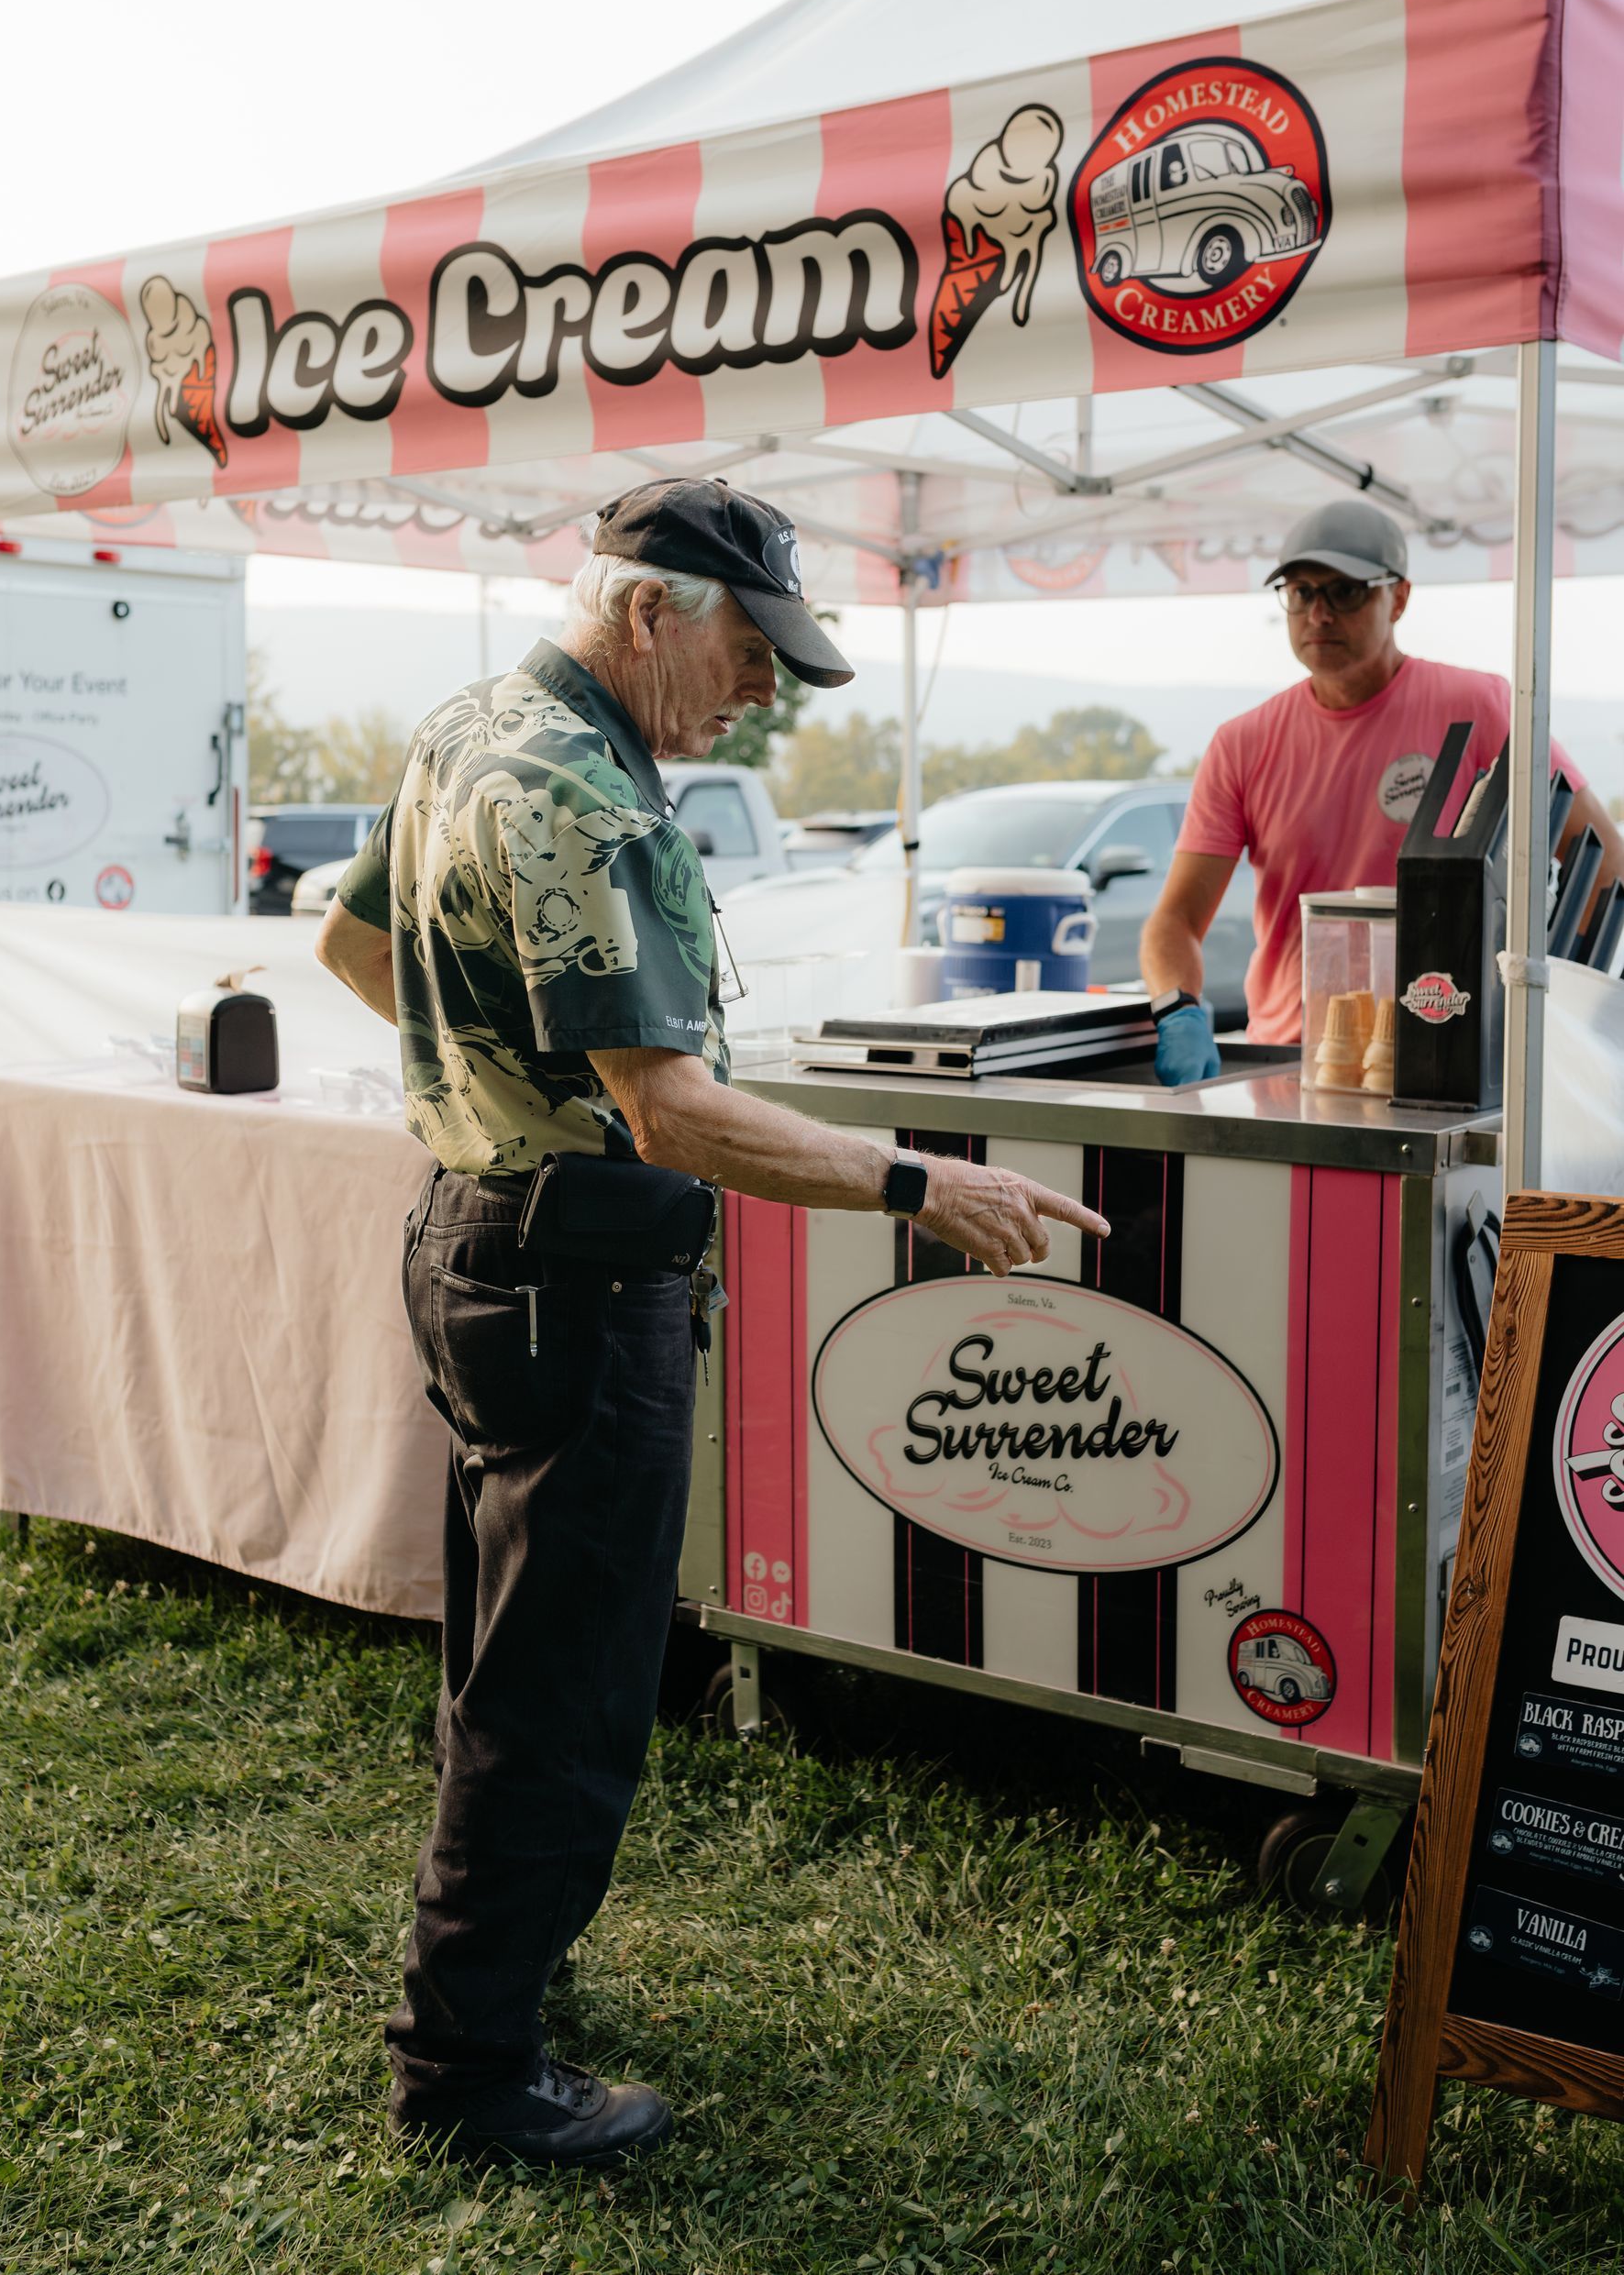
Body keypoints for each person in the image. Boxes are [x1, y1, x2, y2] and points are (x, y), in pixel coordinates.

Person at [315, 476, 1110, 2170]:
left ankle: (493, 1979)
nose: (766, 692)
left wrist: (491, 1070)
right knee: (571, 1692)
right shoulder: (582, 789)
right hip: (578, 1271)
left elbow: (352, 941)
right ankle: (465, 2065)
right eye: (752, 651)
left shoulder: (472, 725)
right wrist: (921, 1184)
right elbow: (674, 1114)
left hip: (475, 1240)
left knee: (502, 1658)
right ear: (648, 609)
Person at [1139, 498, 1622, 1083]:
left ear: (1398, 597)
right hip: (1289, 1062)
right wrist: (1178, 1010)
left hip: (1448, 1060)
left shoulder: (1479, 709)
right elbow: (1175, 921)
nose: (1319, 613)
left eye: (1346, 591)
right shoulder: (1242, 743)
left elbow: (1604, 864)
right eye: (1301, 592)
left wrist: (1555, 1006)